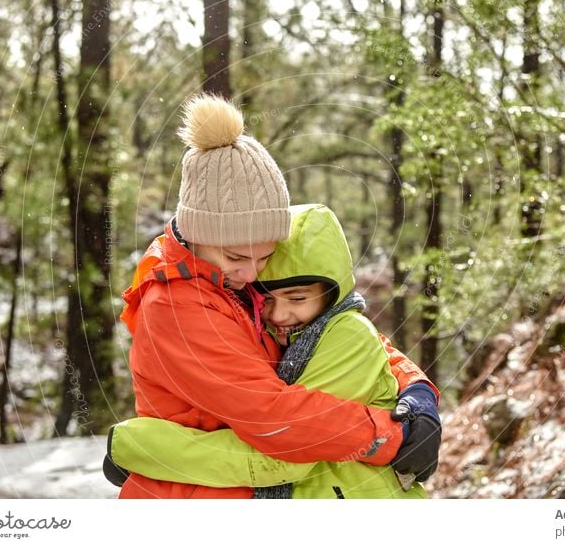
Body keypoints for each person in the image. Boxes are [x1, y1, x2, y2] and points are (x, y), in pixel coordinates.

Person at [115, 95, 440, 498]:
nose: (252, 274)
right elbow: (269, 415)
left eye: (265, 256)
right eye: (236, 257)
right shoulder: (176, 307)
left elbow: (338, 329)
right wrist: (391, 435)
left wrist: (415, 389)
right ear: (197, 234)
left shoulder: (232, 278)